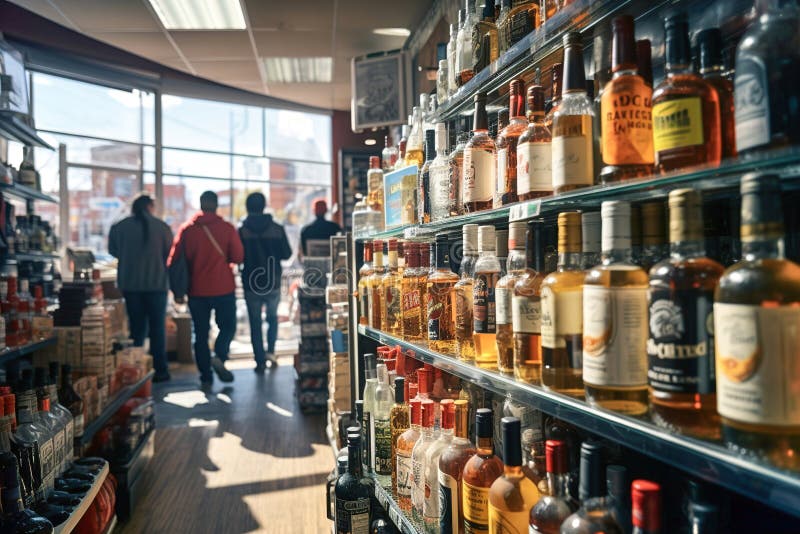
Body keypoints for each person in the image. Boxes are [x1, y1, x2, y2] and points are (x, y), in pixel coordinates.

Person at [168, 191, 244, 388]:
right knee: (228, 326)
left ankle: (205, 375)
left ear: (201, 205)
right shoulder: (227, 228)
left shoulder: (187, 230)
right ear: (216, 205)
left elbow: (173, 261)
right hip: (223, 288)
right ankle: (219, 355)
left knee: (200, 334)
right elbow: (238, 256)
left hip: (197, 290)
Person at [109, 193, 174, 383]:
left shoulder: (120, 227)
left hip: (131, 286)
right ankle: (160, 370)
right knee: (157, 330)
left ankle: (136, 370)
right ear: (150, 207)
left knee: (136, 330)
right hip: (157, 285)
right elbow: (168, 254)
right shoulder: (162, 227)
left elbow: (113, 251)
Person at [239, 192, 292, 373]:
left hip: (250, 283)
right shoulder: (276, 228)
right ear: (264, 206)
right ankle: (271, 352)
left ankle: (259, 360)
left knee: (255, 322)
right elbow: (286, 254)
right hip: (272, 281)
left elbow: (238, 256)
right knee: (272, 319)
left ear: (248, 207)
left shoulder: (242, 230)